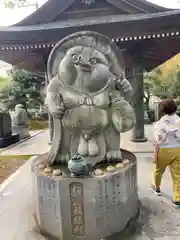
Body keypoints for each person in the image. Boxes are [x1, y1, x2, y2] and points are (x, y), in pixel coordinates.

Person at [150, 99, 180, 208]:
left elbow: (158, 140)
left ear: (163, 110)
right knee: (177, 175)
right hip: (178, 149)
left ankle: (156, 187)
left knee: (158, 170)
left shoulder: (160, 123)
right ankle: (177, 199)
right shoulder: (179, 120)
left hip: (164, 150)